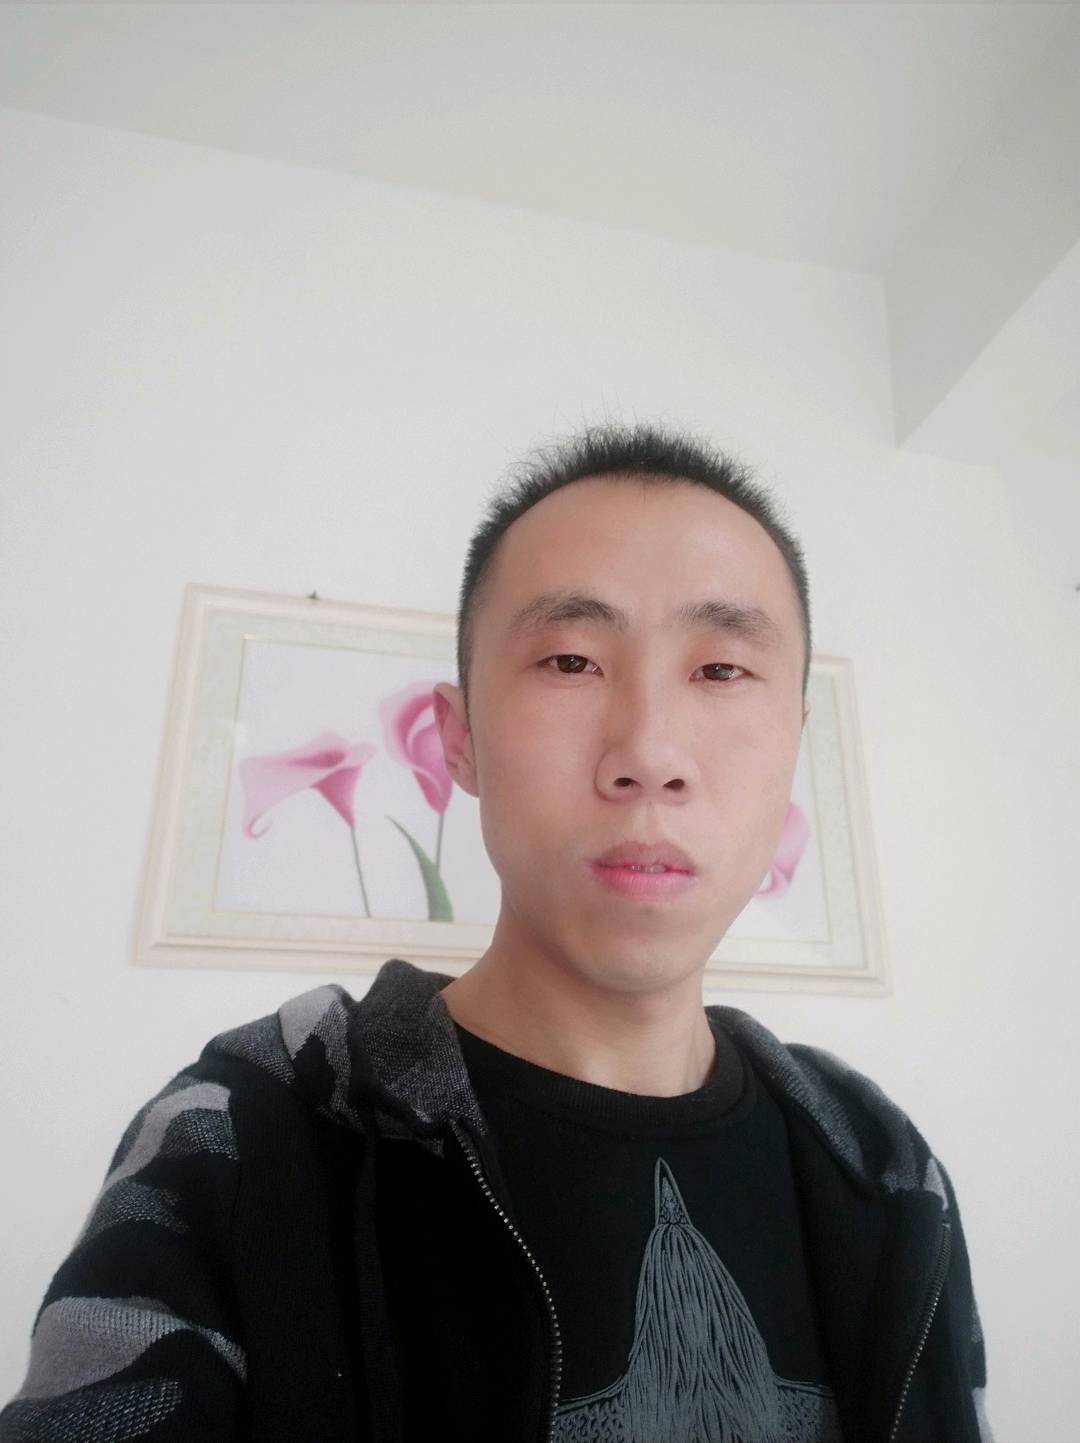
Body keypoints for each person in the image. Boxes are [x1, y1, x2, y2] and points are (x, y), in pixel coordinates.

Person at [1, 422, 993, 1443]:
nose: (650, 752)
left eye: (722, 670)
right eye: (571, 660)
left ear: (795, 740)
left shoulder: (881, 1167)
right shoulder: (247, 1136)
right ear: (459, 736)